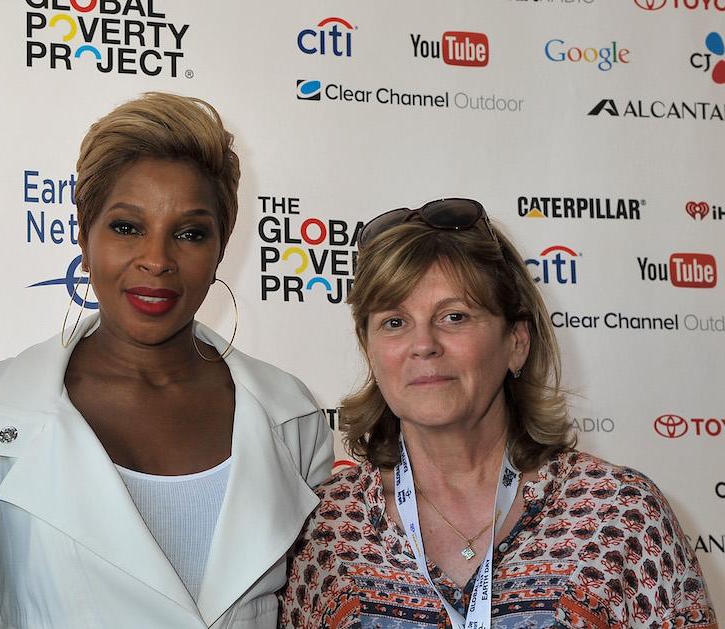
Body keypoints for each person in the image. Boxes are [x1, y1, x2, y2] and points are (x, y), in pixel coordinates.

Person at [0, 92, 333, 628]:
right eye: (127, 227)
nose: (157, 260)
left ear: (221, 247)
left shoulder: (292, 415)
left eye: (190, 233)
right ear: (83, 238)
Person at [280, 199, 717, 628]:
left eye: (454, 316)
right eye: (395, 322)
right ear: (370, 351)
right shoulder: (327, 529)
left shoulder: (621, 515)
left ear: (517, 342)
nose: (424, 344)